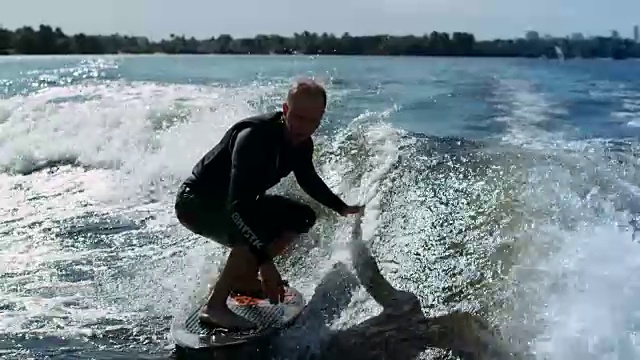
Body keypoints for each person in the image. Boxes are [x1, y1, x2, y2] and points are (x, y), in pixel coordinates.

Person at [174, 78, 363, 331]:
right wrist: (266, 264)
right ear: (285, 110)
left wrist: (342, 207)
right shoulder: (254, 137)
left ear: (320, 118)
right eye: (297, 117)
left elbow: (308, 179)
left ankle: (242, 280)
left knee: (302, 217)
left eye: (312, 121)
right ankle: (215, 306)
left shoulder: (301, 143)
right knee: (254, 227)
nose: (302, 127)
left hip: (237, 204)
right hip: (196, 203)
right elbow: (238, 207)